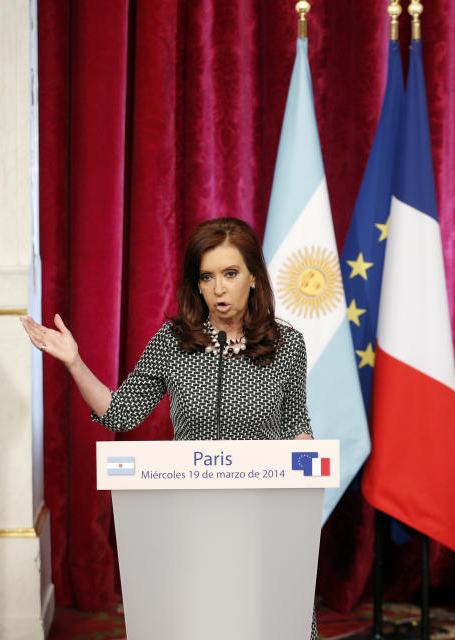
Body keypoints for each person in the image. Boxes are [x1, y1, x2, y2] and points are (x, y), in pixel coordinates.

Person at [20, 217, 317, 637]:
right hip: (190, 522)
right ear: (196, 284)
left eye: (230, 274)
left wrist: (312, 478)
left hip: (262, 521)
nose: (219, 289)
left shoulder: (288, 345)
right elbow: (121, 413)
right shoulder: (173, 340)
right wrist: (74, 361)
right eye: (207, 277)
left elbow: (296, 426)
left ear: (253, 277)